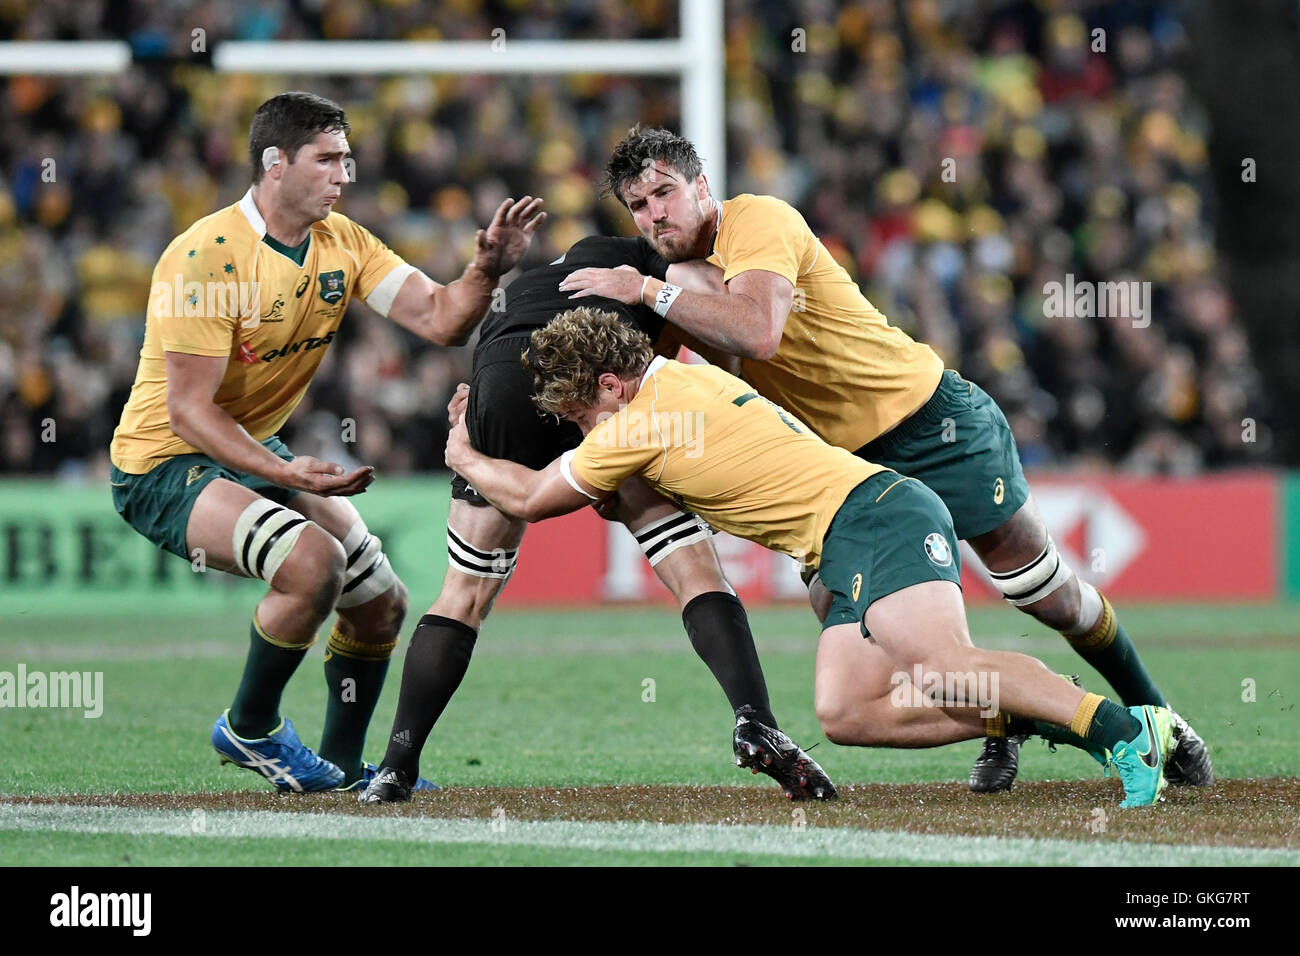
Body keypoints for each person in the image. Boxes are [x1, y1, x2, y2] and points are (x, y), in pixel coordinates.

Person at [558, 126, 1212, 792]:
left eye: (665, 193)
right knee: (859, 643)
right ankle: (1009, 716)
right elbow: (647, 406)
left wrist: (645, 291)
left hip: (931, 422)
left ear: (701, 186)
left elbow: (757, 330)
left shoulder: (756, 220)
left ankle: (1159, 715)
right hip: (847, 473)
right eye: (638, 206)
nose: (655, 215)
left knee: (1045, 594)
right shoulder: (675, 291)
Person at [443, 307, 1176, 809]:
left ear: (610, 385)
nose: (584, 433)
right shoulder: (687, 378)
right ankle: (1031, 715)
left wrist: (462, 453)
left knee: (942, 665)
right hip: (846, 537)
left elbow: (536, 498)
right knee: (849, 711)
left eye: (581, 416)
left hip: (875, 518)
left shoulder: (636, 422)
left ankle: (1123, 733)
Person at [108, 91, 544, 792]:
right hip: (166, 462)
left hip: (252, 450)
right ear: (275, 164)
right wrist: (292, 475)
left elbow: (440, 319)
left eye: (347, 158)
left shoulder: (343, 241)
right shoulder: (207, 257)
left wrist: (486, 269)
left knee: (383, 604)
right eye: (328, 159)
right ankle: (249, 727)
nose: (345, 174)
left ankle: (341, 765)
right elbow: (188, 413)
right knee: (312, 564)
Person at [359, 234, 833, 804]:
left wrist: (463, 451)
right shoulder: (645, 261)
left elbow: (498, 390)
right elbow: (718, 311)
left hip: (509, 378)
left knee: (462, 595)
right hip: (610, 388)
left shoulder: (533, 285)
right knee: (695, 572)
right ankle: (756, 720)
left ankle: (395, 767)